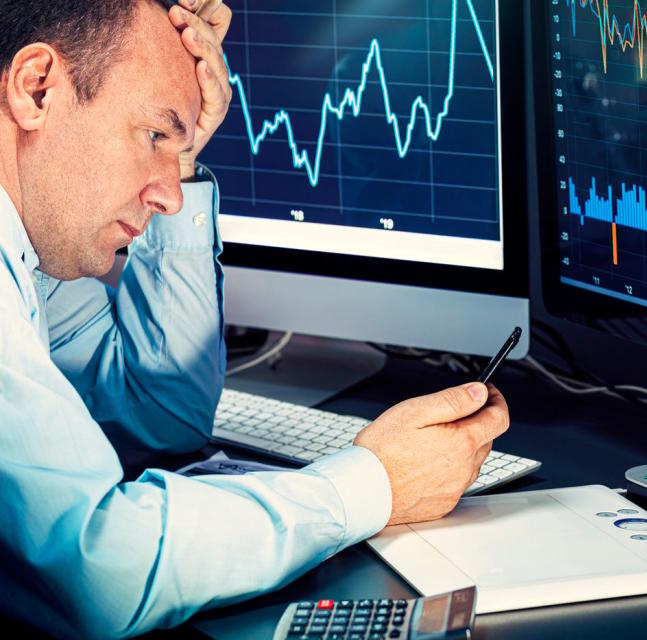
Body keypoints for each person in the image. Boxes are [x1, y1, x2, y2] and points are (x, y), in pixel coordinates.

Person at [0, 1, 510, 637]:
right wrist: (374, 483)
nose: (172, 195)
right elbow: (99, 570)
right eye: (154, 135)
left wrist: (180, 143)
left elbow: (159, 421)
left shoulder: (27, 249)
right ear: (36, 88)